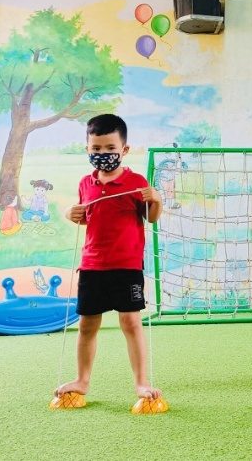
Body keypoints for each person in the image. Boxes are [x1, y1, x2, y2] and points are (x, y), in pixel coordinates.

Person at [55, 114, 163, 403]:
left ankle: (141, 382)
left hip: (127, 265)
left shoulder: (136, 182)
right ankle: (82, 380)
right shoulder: (85, 183)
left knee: (130, 322)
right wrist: (70, 213)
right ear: (88, 149)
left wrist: (157, 200)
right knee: (87, 325)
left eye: (110, 148)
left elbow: (151, 218)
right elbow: (87, 217)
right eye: (96, 148)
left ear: (124, 149)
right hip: (92, 265)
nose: (103, 154)